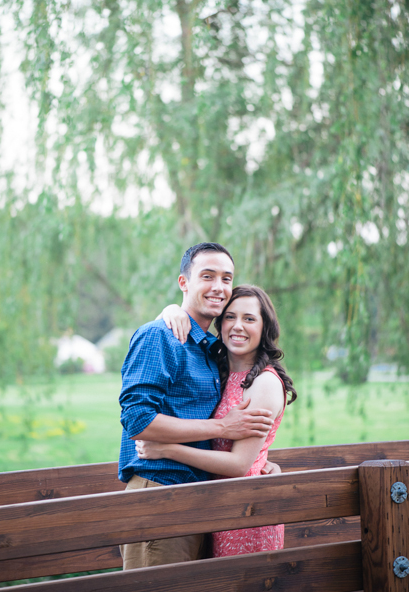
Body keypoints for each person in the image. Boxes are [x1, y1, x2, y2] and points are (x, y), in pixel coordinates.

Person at [118, 242, 276, 570]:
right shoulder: (160, 337)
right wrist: (221, 428)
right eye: (207, 276)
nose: (218, 287)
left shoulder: (209, 350)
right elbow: (137, 420)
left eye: (226, 278)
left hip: (198, 497)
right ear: (183, 282)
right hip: (159, 491)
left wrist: (259, 459)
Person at [136, 285, 297, 557]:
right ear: (219, 324)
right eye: (230, 317)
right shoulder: (217, 370)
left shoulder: (264, 383)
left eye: (249, 319)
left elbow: (238, 464)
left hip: (246, 513)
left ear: (265, 327)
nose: (238, 326)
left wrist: (166, 449)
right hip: (215, 508)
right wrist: (171, 311)